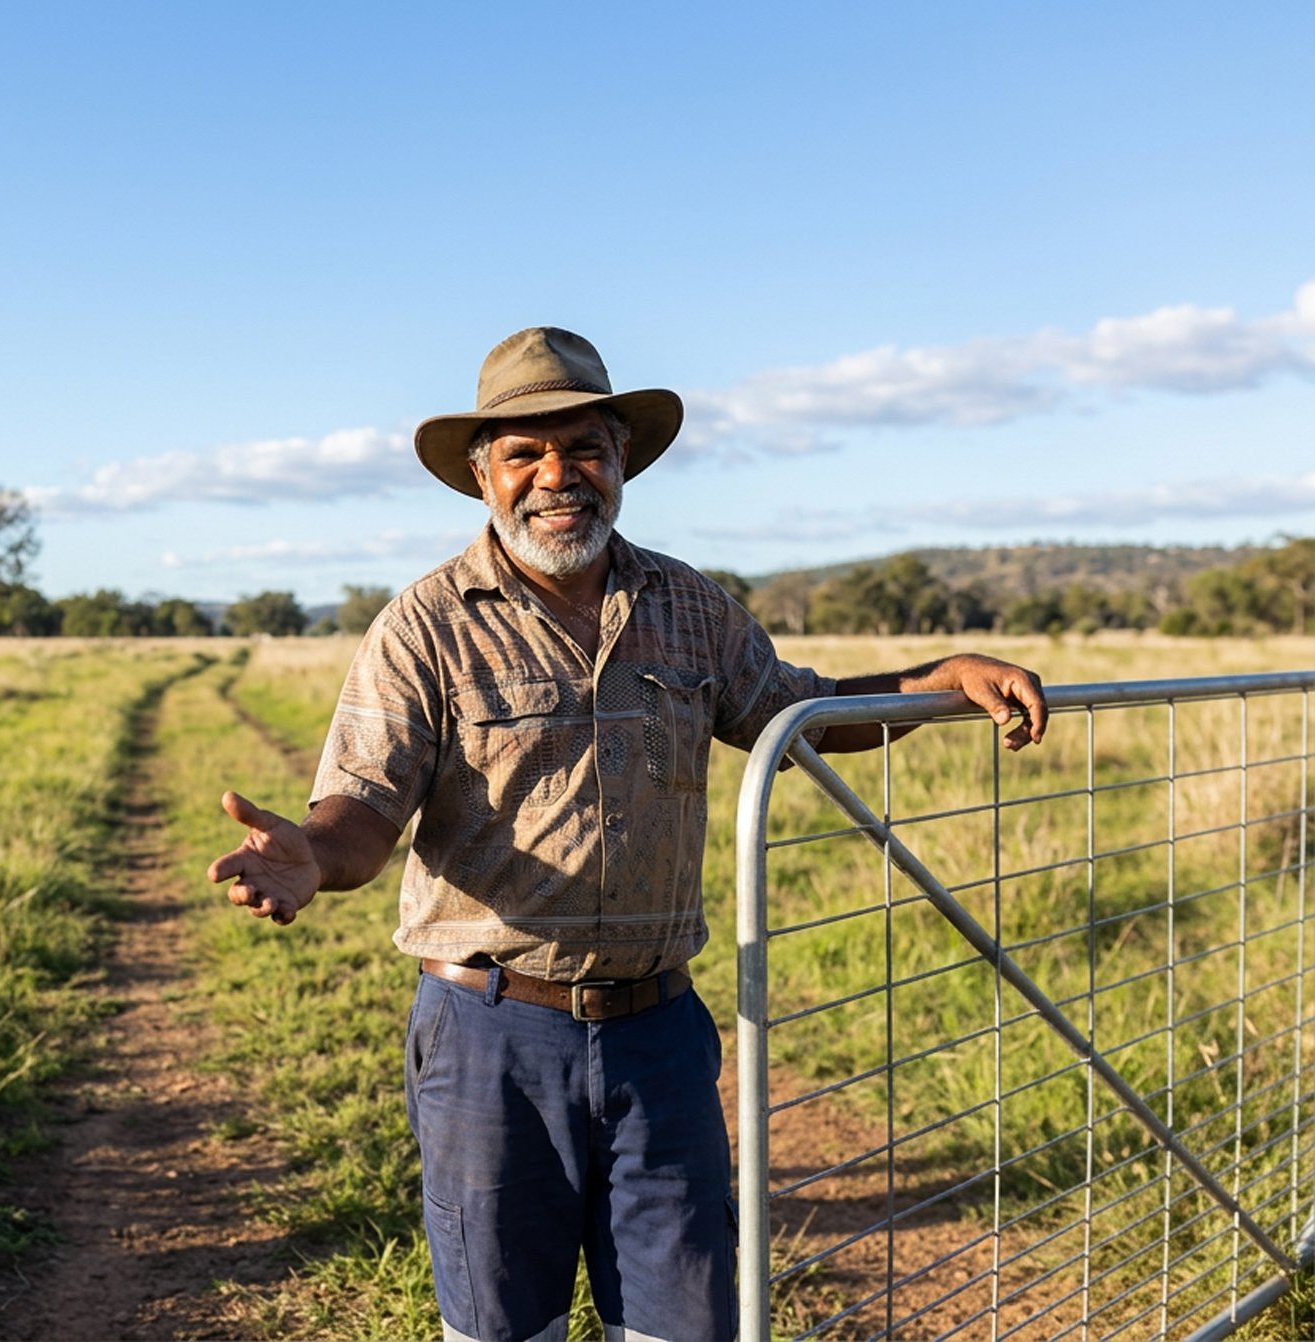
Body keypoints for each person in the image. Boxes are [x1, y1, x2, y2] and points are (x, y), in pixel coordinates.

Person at [205, 327, 1046, 1342]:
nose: (557, 477)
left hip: (658, 1035)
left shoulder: (687, 607)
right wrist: (311, 854)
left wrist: (932, 682)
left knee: (683, 1322)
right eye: (524, 453)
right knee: (502, 1326)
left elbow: (796, 712)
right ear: (483, 477)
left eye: (584, 450)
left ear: (619, 463)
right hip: (488, 1033)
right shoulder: (425, 623)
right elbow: (362, 807)